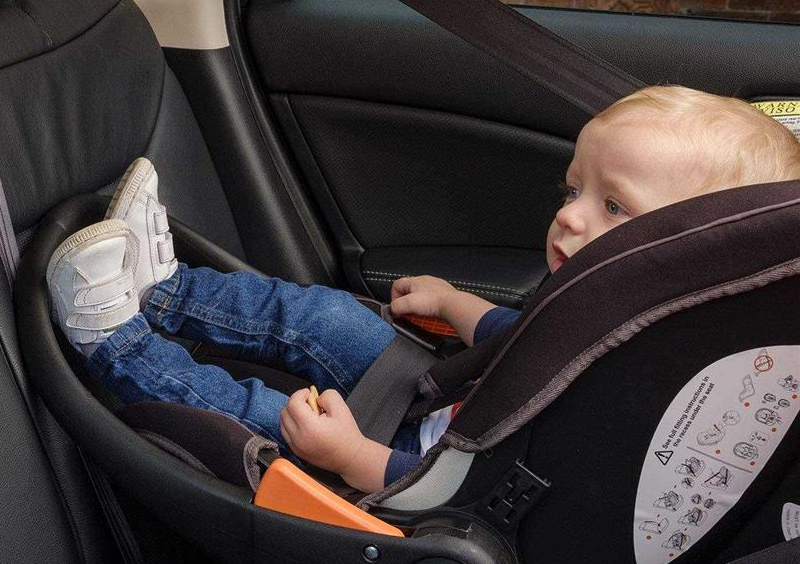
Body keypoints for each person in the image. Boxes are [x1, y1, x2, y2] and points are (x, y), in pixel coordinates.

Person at [48, 86, 800, 493]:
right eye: (574, 190)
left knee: (259, 417)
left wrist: (349, 457)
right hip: (438, 397)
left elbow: (460, 493)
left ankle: (113, 341)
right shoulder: (607, 306)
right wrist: (450, 303)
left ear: (688, 256)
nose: (569, 216)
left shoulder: (634, 399)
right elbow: (514, 338)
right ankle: (167, 291)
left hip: (417, 467)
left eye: (614, 207)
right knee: (325, 315)